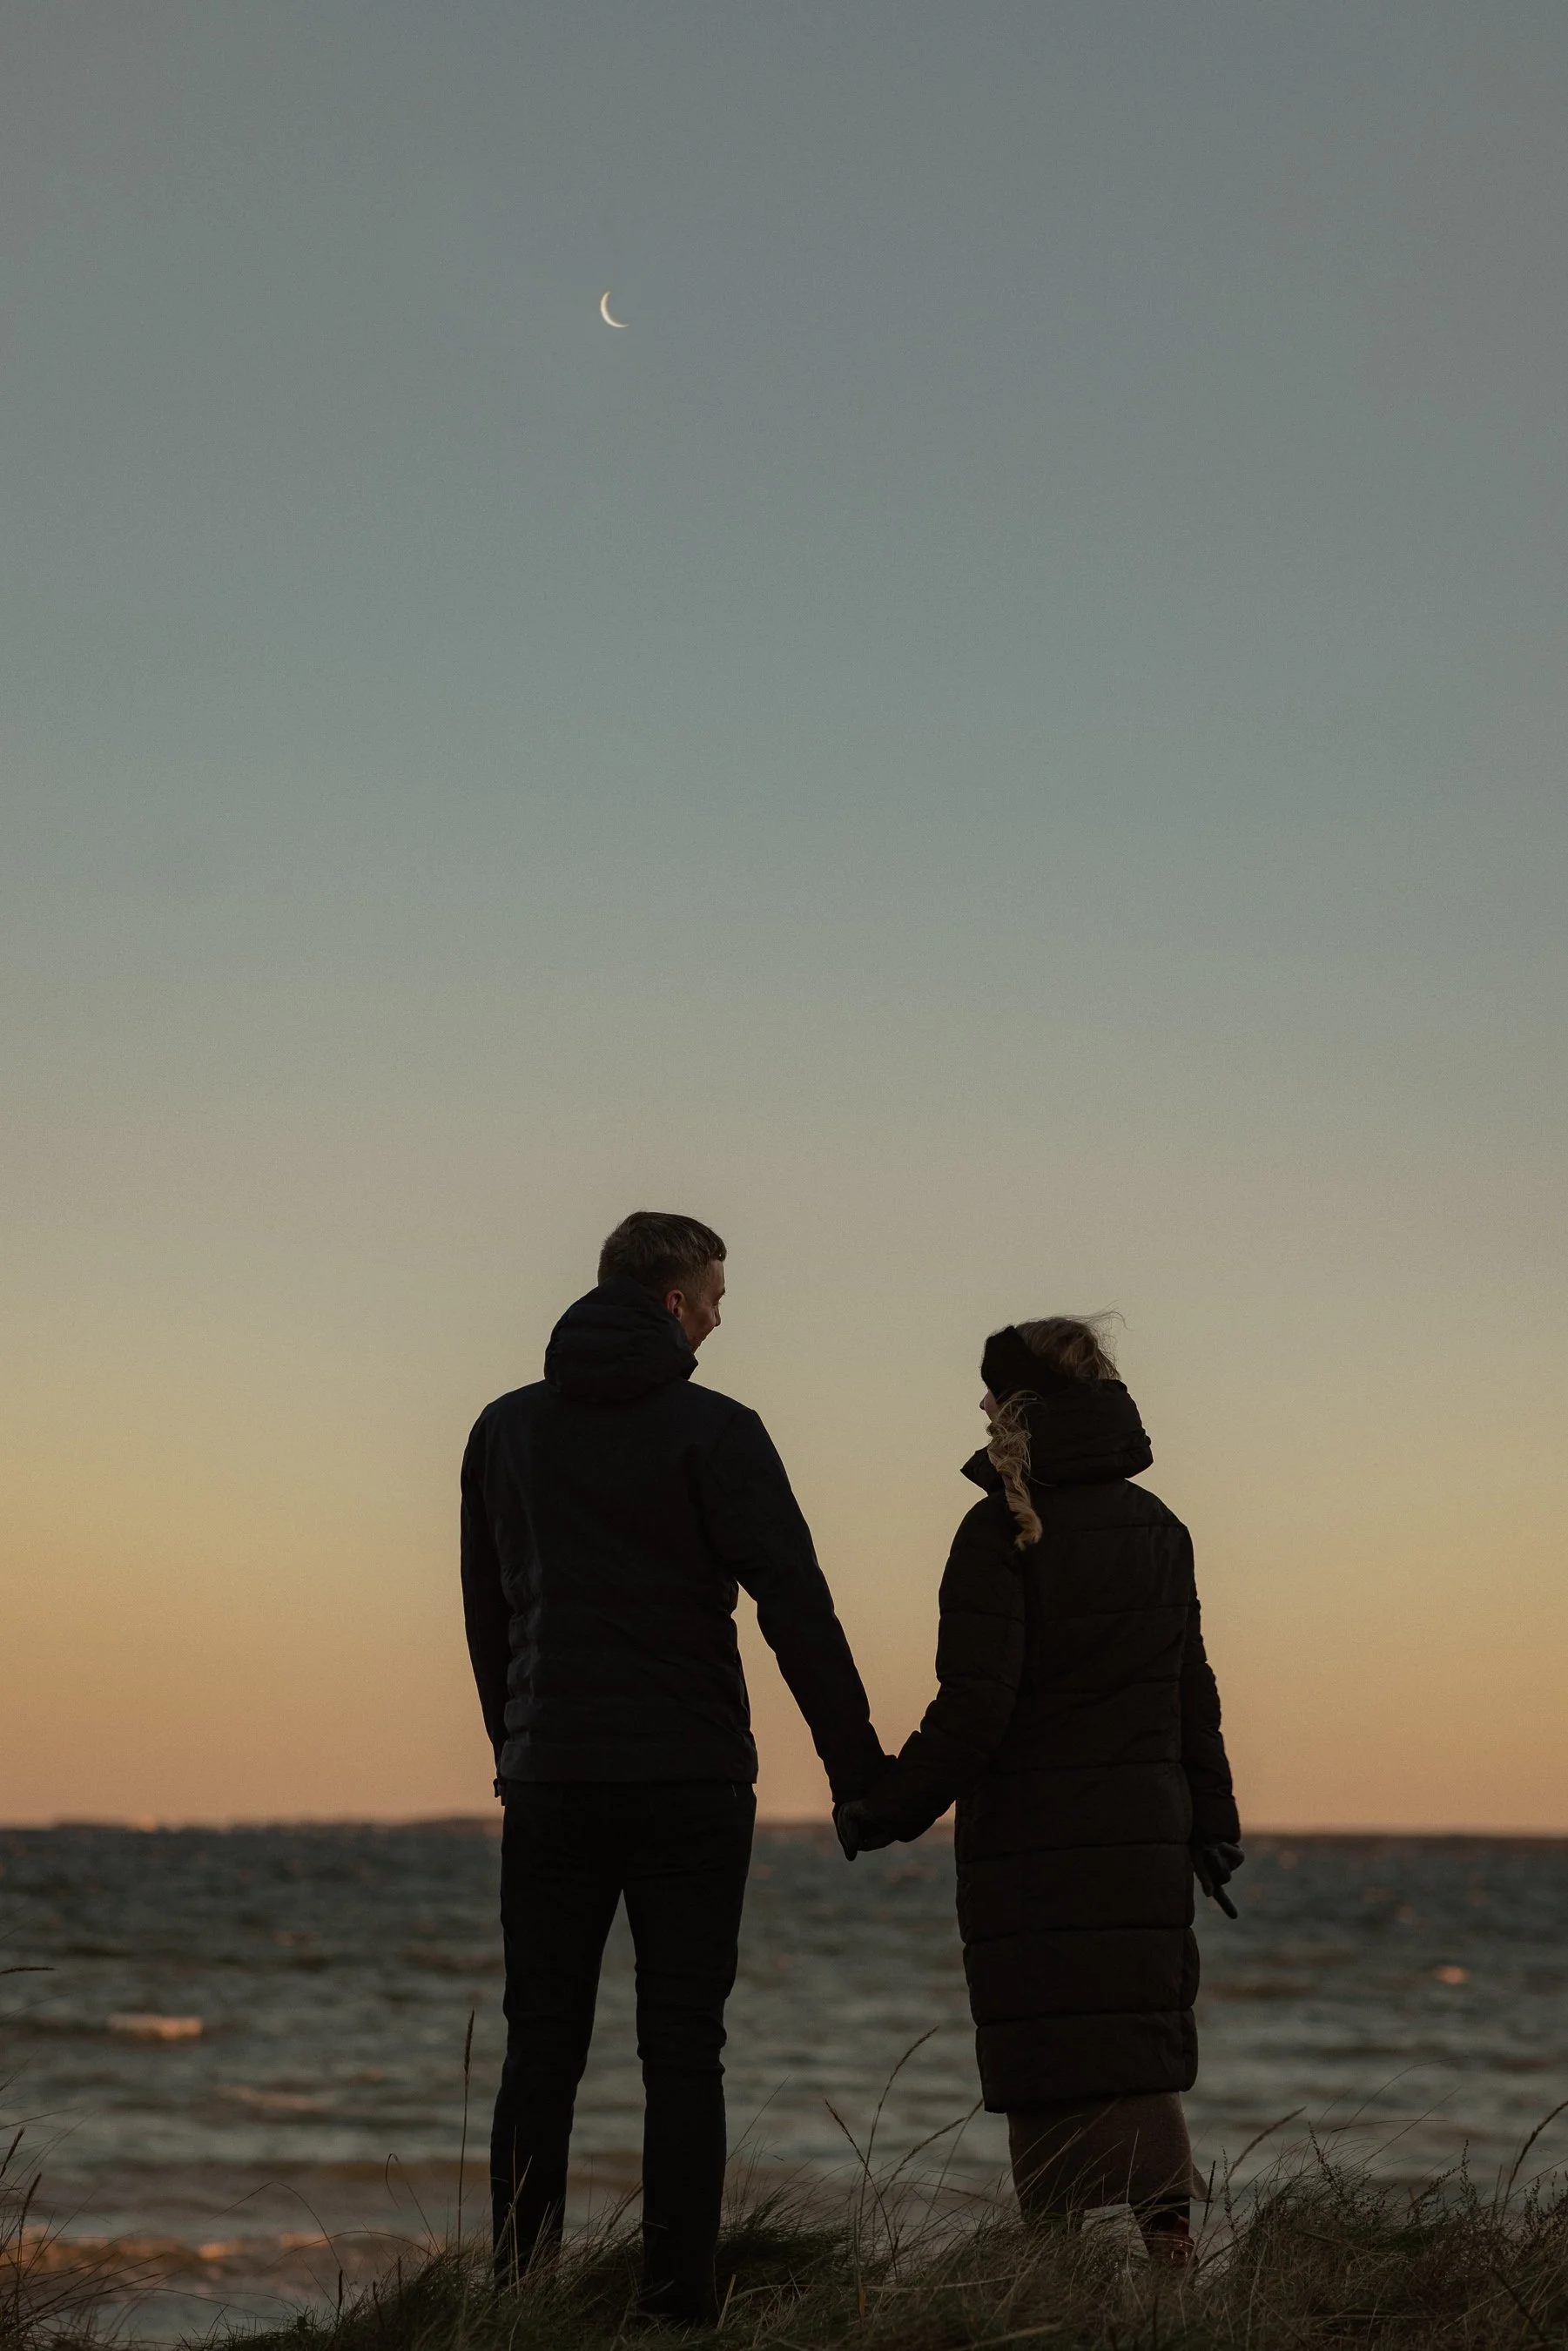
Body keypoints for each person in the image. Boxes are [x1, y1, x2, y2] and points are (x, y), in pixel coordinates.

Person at [461, 1211, 885, 2324]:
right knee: (683, 2050)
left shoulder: (505, 1429)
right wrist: (859, 1774)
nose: (714, 1325)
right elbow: (797, 1606)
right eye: (711, 1304)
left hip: (552, 1774)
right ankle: (677, 2309)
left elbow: (489, 1615)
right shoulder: (719, 1429)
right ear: (670, 1303)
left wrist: (516, 1748)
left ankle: (516, 2301)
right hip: (691, 1779)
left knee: (539, 2045)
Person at [837, 1316, 1241, 2267]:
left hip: (1033, 1846)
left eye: (987, 1392)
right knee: (1133, 2048)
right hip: (1145, 1842)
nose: (977, 1407)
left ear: (1015, 1407)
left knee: (1048, 2052)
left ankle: (1055, 2281)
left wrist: (886, 1807)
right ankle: (1169, 2271)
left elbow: (976, 1708)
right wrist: (1213, 1823)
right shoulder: (1159, 1528)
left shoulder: (998, 1531)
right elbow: (1193, 1691)